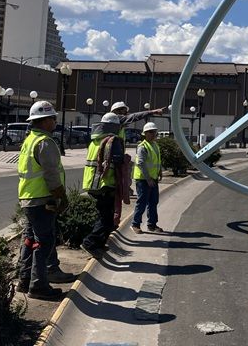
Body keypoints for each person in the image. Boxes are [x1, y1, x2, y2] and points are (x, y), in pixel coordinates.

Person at [16, 100, 74, 300]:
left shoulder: (30, 139)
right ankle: (38, 285)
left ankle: (24, 281)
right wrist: (61, 197)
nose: (55, 121)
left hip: (29, 198)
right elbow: (51, 174)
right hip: (42, 199)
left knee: (30, 240)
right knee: (44, 242)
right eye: (52, 118)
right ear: (44, 120)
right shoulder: (45, 143)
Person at [81, 112, 125, 256]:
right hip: (106, 183)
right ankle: (91, 243)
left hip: (92, 183)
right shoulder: (113, 141)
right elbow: (118, 161)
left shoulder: (94, 141)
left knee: (102, 214)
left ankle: (99, 244)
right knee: (106, 217)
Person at [131, 122, 163, 234]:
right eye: (150, 132)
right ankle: (135, 224)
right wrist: (148, 178)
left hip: (152, 178)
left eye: (154, 132)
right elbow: (141, 163)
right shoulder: (142, 147)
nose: (153, 134)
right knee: (142, 202)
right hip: (143, 179)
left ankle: (152, 225)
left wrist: (160, 171)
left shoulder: (155, 145)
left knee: (153, 202)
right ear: (145, 134)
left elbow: (157, 161)